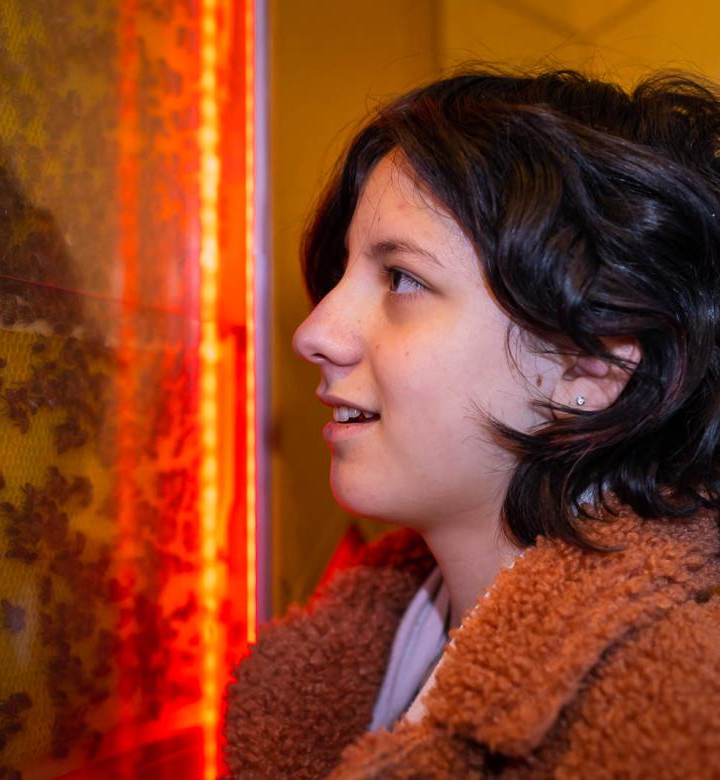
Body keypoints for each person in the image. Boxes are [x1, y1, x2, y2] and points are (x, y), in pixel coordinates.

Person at [223, 66, 720, 778]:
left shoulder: (674, 726)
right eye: (342, 272)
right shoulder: (356, 656)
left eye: (401, 278)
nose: (316, 331)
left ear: (591, 367)